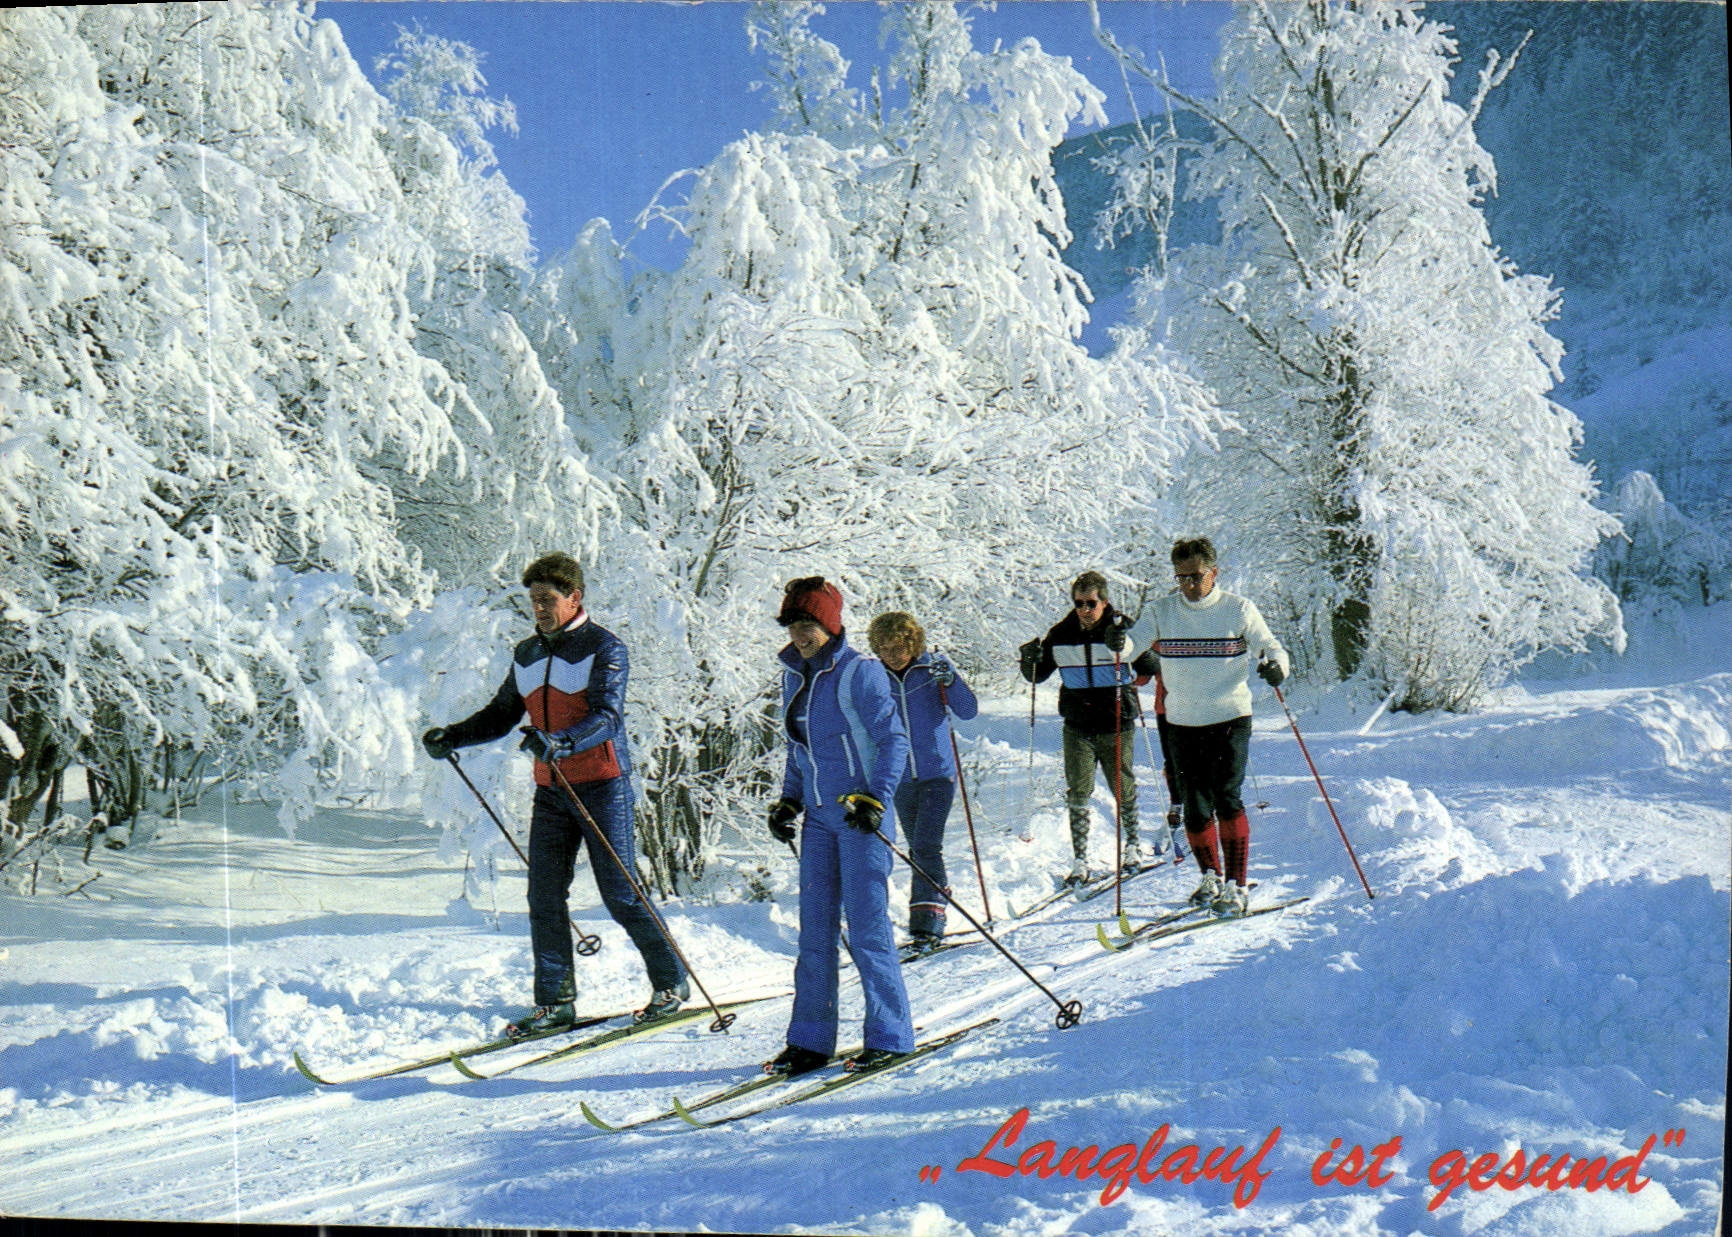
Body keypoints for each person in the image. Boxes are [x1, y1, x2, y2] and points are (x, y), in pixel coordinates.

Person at [421, 553, 687, 1037]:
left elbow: (608, 716)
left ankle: (671, 984)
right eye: (534, 600)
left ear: (574, 598)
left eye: (548, 599)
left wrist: (560, 742)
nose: (539, 608)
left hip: (603, 785)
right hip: (552, 791)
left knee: (621, 894)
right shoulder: (526, 653)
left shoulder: (603, 647)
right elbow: (502, 713)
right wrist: (453, 736)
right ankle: (555, 1003)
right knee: (543, 896)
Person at [764, 578, 916, 1077]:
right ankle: (810, 1041)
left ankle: (890, 1036)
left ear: (830, 625)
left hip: (860, 816)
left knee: (868, 928)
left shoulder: (861, 674)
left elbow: (893, 740)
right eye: (792, 626)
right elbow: (798, 749)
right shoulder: (794, 677)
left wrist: (876, 798)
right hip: (819, 819)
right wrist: (789, 800)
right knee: (815, 931)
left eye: (807, 625)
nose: (799, 635)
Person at [1145, 537, 1290, 917]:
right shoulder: (1162, 611)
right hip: (1181, 720)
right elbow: (1128, 646)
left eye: (1196, 576)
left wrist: (1277, 666)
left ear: (1214, 573)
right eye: (1182, 578)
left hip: (1229, 717)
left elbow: (1271, 647)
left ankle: (1236, 885)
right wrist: (1117, 642)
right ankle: (1210, 875)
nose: (1190, 586)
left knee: (1227, 797)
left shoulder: (1237, 609)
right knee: (1194, 806)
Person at [1018, 571, 1158, 884]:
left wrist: (1127, 646)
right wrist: (1029, 660)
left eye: (1091, 603)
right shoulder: (1062, 633)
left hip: (1116, 722)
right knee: (1078, 791)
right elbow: (1037, 675)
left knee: (1122, 786)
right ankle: (1080, 859)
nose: (1085, 609)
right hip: (1078, 725)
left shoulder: (1121, 627)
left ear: (1104, 601)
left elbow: (1151, 665)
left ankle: (1133, 844)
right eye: (1079, 603)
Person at [866, 611, 979, 947]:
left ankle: (927, 924)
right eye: (885, 649)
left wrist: (950, 681)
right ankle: (935, 895)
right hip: (900, 777)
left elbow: (968, 710)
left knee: (927, 846)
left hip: (937, 773)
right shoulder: (875, 678)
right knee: (918, 848)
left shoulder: (931, 669)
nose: (893, 655)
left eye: (899, 648)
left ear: (913, 644)